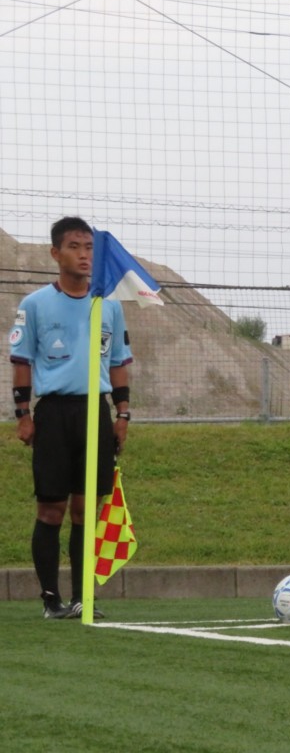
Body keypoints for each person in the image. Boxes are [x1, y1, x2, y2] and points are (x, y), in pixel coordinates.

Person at [9, 217, 133, 619]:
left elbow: (117, 364)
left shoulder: (108, 306)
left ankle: (84, 599)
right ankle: (51, 600)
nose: (84, 255)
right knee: (51, 511)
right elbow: (22, 363)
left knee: (85, 510)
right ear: (55, 253)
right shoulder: (35, 305)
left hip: (96, 413)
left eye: (89, 248)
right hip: (54, 414)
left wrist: (123, 415)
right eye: (75, 247)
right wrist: (24, 415)